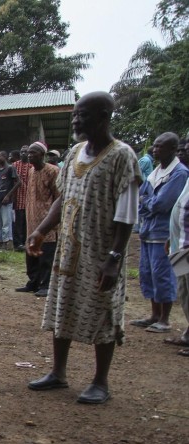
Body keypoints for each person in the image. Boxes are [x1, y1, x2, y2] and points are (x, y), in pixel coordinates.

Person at [25, 92, 142, 405]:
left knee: (102, 310)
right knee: (62, 303)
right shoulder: (75, 152)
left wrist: (115, 258)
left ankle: (100, 381)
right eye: (75, 115)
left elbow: (127, 213)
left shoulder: (122, 156)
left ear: (104, 116)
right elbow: (62, 199)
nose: (76, 120)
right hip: (69, 248)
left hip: (101, 251)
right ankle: (58, 373)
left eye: (83, 115)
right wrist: (39, 231)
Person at [131, 132, 188, 333]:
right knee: (148, 273)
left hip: (163, 233)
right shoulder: (156, 171)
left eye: (160, 147)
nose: (156, 150)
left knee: (163, 274)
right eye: (155, 146)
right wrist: (147, 203)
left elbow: (162, 204)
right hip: (148, 230)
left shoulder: (179, 173)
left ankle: (165, 319)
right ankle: (154, 314)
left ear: (173, 149)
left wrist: (146, 203)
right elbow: (143, 196)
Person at [15, 142, 60, 297]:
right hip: (31, 218)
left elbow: (58, 197)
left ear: (42, 155)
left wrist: (54, 221)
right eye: (28, 153)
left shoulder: (53, 171)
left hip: (47, 220)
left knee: (46, 254)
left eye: (33, 153)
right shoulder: (31, 171)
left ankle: (46, 284)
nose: (29, 155)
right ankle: (33, 282)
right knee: (31, 254)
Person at [166, 150, 189, 355]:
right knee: (184, 292)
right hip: (179, 246)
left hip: (187, 248)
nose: (184, 151)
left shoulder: (182, 173)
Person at [0, 150, 20, 251]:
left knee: (6, 223)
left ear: (5, 157)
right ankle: (0, 242)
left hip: (6, 201)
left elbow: (18, 182)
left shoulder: (10, 168)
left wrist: (8, 195)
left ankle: (7, 243)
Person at [11, 147, 33, 252]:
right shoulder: (14, 165)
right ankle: (17, 243)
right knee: (17, 223)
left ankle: (24, 242)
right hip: (17, 199)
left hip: (28, 199)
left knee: (25, 222)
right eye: (22, 152)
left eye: (25, 152)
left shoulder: (32, 166)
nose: (23, 154)